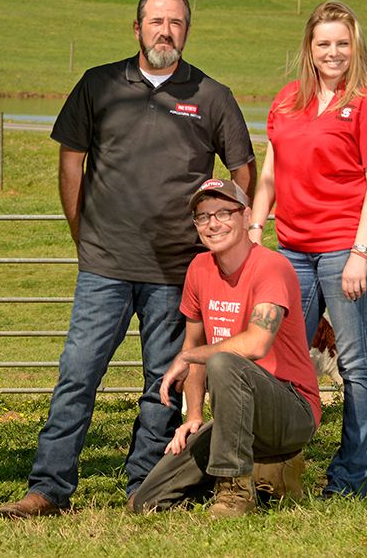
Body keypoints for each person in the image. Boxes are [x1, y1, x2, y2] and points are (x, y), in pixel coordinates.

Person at [0, 0, 256, 519]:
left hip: (176, 270)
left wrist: (224, 235)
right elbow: (72, 164)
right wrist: (82, 234)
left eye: (177, 23)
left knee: (164, 381)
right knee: (78, 373)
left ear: (187, 30)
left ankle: (145, 487)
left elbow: (243, 173)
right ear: (136, 28)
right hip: (105, 266)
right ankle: (47, 488)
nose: (166, 31)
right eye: (156, 21)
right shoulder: (99, 84)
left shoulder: (212, 95)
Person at [248, 0, 367, 498]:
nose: (333, 52)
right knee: (279, 356)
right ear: (309, 49)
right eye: (324, 43)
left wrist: (359, 253)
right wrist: (254, 229)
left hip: (349, 248)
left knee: (356, 363)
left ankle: (350, 479)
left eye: (342, 43)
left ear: (354, 47)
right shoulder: (288, 99)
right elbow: (271, 172)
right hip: (292, 249)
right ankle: (274, 469)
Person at [128, 178, 320, 518]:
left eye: (223, 213)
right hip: (237, 416)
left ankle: (235, 493)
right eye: (202, 217)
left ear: (246, 217)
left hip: (291, 409)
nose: (213, 223)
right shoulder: (199, 269)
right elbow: (194, 342)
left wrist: (186, 357)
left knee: (224, 362)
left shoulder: (272, 266)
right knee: (147, 501)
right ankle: (261, 475)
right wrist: (195, 417)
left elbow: (256, 343)